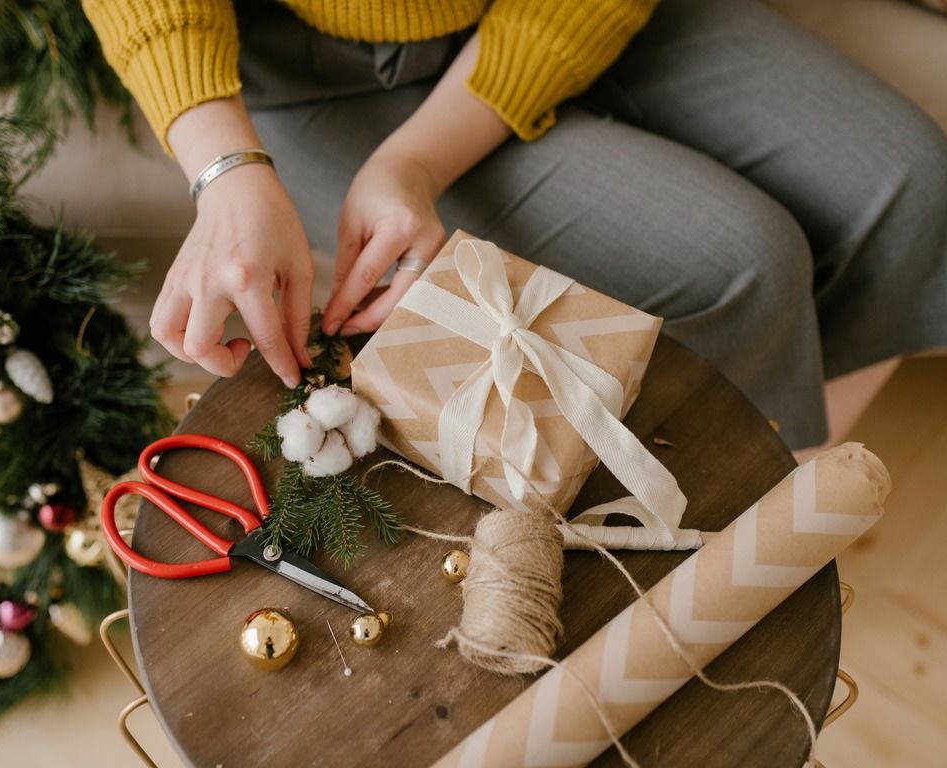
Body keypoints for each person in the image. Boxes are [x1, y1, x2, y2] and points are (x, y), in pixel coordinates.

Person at [82, 0, 947, 450]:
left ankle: (764, 476)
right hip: (302, 69)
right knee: (740, 259)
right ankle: (735, 493)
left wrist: (415, 164)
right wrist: (226, 168)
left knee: (908, 174)